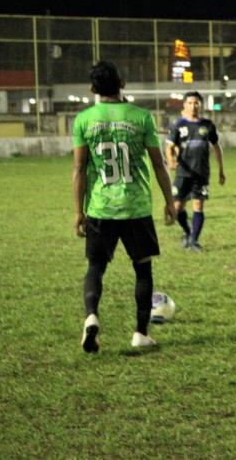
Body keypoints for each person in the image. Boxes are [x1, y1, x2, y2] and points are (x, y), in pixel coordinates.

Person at [72, 61, 176, 352]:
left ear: (93, 89)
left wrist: (79, 211)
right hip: (136, 208)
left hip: (100, 208)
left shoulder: (84, 120)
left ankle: (91, 316)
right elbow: (158, 163)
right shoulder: (141, 117)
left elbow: (79, 169)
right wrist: (170, 201)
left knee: (96, 267)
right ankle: (141, 333)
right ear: (124, 83)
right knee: (143, 270)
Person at [166, 91, 226, 251]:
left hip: (201, 173)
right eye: (190, 103)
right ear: (184, 105)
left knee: (198, 205)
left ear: (201, 105)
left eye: (196, 103)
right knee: (177, 208)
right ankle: (187, 232)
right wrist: (171, 160)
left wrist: (221, 169)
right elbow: (169, 147)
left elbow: (216, 147)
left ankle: (194, 241)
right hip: (183, 173)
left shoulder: (207, 125)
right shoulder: (178, 125)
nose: (193, 106)